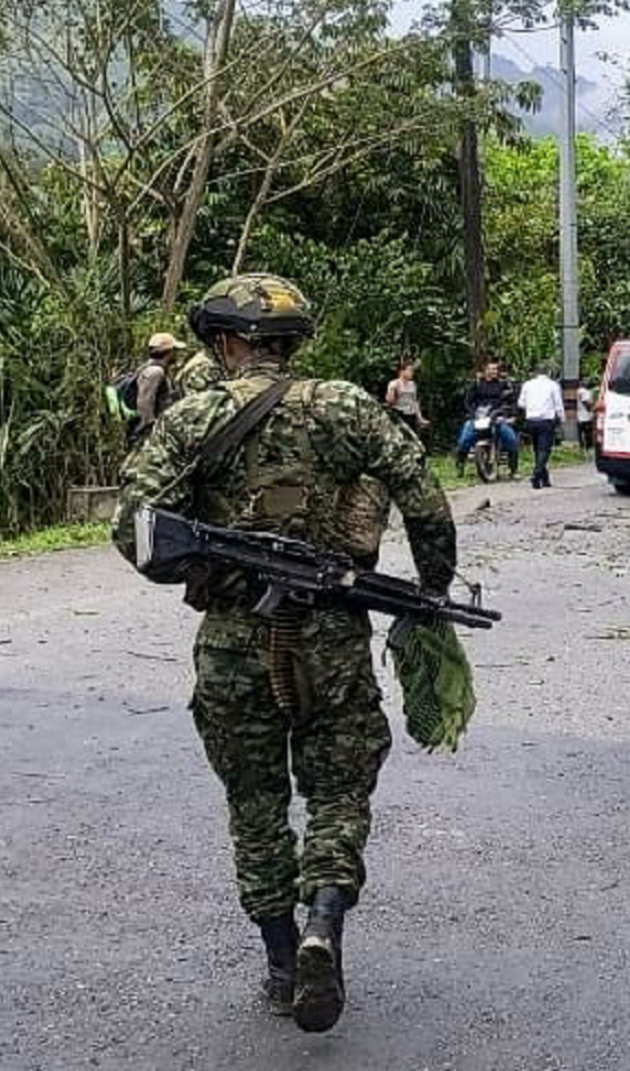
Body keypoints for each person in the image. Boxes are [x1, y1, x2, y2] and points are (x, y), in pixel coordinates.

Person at [110, 273, 458, 1035]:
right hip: (330, 638)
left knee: (255, 802)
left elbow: (132, 524)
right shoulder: (344, 406)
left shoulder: (195, 415)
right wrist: (431, 594)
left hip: (234, 645)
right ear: (293, 344)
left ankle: (277, 959)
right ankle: (322, 925)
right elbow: (426, 500)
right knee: (337, 792)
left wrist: (201, 568)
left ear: (227, 344)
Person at [455, 361, 519, 472]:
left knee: (511, 439)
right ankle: (460, 466)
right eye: (490, 369)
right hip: (479, 417)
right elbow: (468, 402)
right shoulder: (477, 384)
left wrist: (512, 415)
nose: (493, 371)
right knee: (464, 439)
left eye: (495, 369)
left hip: (497, 417)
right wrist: (472, 414)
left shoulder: (503, 384)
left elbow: (512, 401)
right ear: (484, 371)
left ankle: (513, 469)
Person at [132, 332, 188, 442]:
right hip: (150, 434)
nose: (176, 354)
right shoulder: (155, 372)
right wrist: (151, 431)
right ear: (169, 352)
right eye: (174, 351)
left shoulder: (156, 369)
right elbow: (144, 404)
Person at [518, 365, 565, 490]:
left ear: (535, 373)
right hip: (546, 421)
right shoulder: (553, 385)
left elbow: (521, 403)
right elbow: (558, 405)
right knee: (544, 450)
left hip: (531, 421)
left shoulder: (527, 385)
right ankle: (537, 472)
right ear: (548, 373)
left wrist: (531, 407)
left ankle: (544, 479)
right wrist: (561, 419)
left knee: (537, 449)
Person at [384, 360, 429, 432]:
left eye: (412, 371)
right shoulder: (394, 383)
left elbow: (414, 402)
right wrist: (394, 392)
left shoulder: (412, 384)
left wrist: (420, 418)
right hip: (399, 414)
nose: (412, 373)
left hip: (410, 415)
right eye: (410, 371)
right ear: (402, 372)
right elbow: (389, 401)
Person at [576, 382, 596, 449]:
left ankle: (582, 447)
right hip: (586, 417)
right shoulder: (585, 392)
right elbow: (586, 403)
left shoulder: (579, 391)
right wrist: (594, 407)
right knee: (588, 434)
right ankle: (587, 447)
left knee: (581, 434)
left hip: (580, 416)